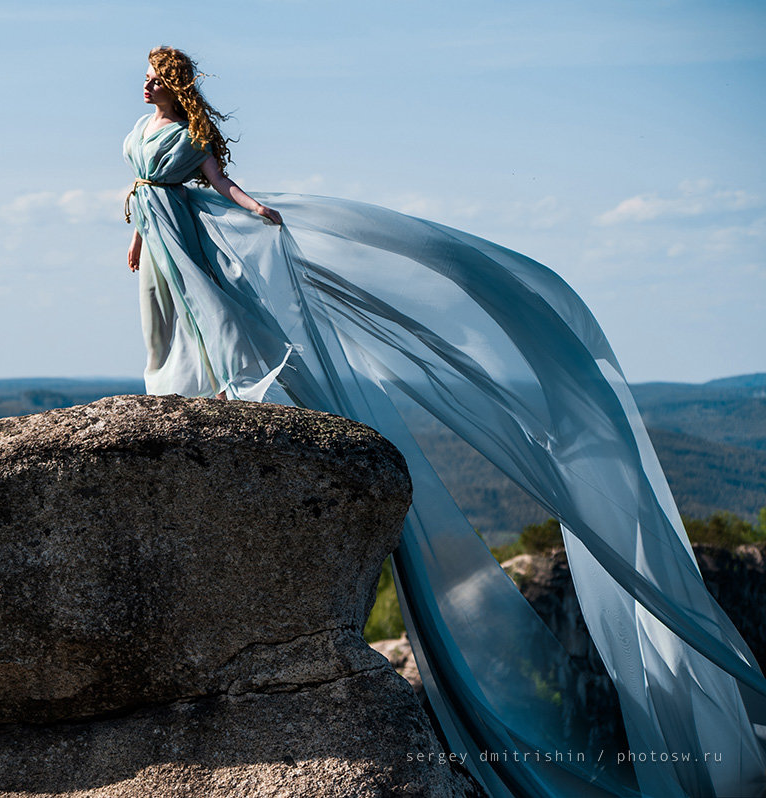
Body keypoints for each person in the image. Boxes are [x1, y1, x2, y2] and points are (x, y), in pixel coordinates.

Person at [122, 46, 766, 798]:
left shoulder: (194, 134)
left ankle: (229, 393)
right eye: (145, 76)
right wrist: (137, 238)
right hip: (161, 244)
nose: (144, 84)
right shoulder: (138, 132)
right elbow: (137, 192)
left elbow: (220, 185)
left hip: (198, 240)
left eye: (154, 74)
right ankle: (187, 390)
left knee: (224, 329)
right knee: (164, 335)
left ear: (174, 82)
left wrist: (256, 210)